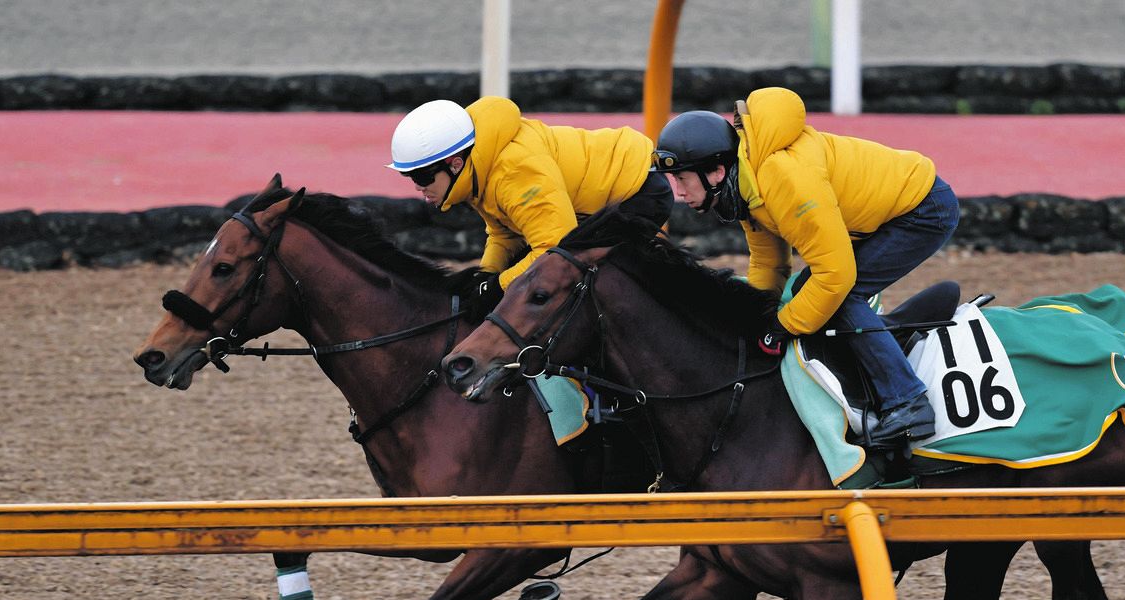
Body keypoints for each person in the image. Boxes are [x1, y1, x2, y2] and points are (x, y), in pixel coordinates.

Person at [651, 87, 960, 449]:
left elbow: (835, 277)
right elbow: (769, 265)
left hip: (922, 211)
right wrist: (755, 321)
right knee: (805, 295)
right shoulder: (744, 183)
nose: (678, 192)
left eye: (682, 179)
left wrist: (781, 327)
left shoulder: (782, 179)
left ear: (716, 171)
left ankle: (908, 404)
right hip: (890, 212)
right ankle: (879, 343)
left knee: (841, 297)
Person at [387, 97, 673, 313]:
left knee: (572, 283)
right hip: (601, 198)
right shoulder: (477, 170)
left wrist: (496, 287)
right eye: (409, 176)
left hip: (638, 193)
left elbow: (554, 248)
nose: (417, 185)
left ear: (455, 163)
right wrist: (485, 276)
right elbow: (504, 233)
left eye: (423, 175)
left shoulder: (513, 172)